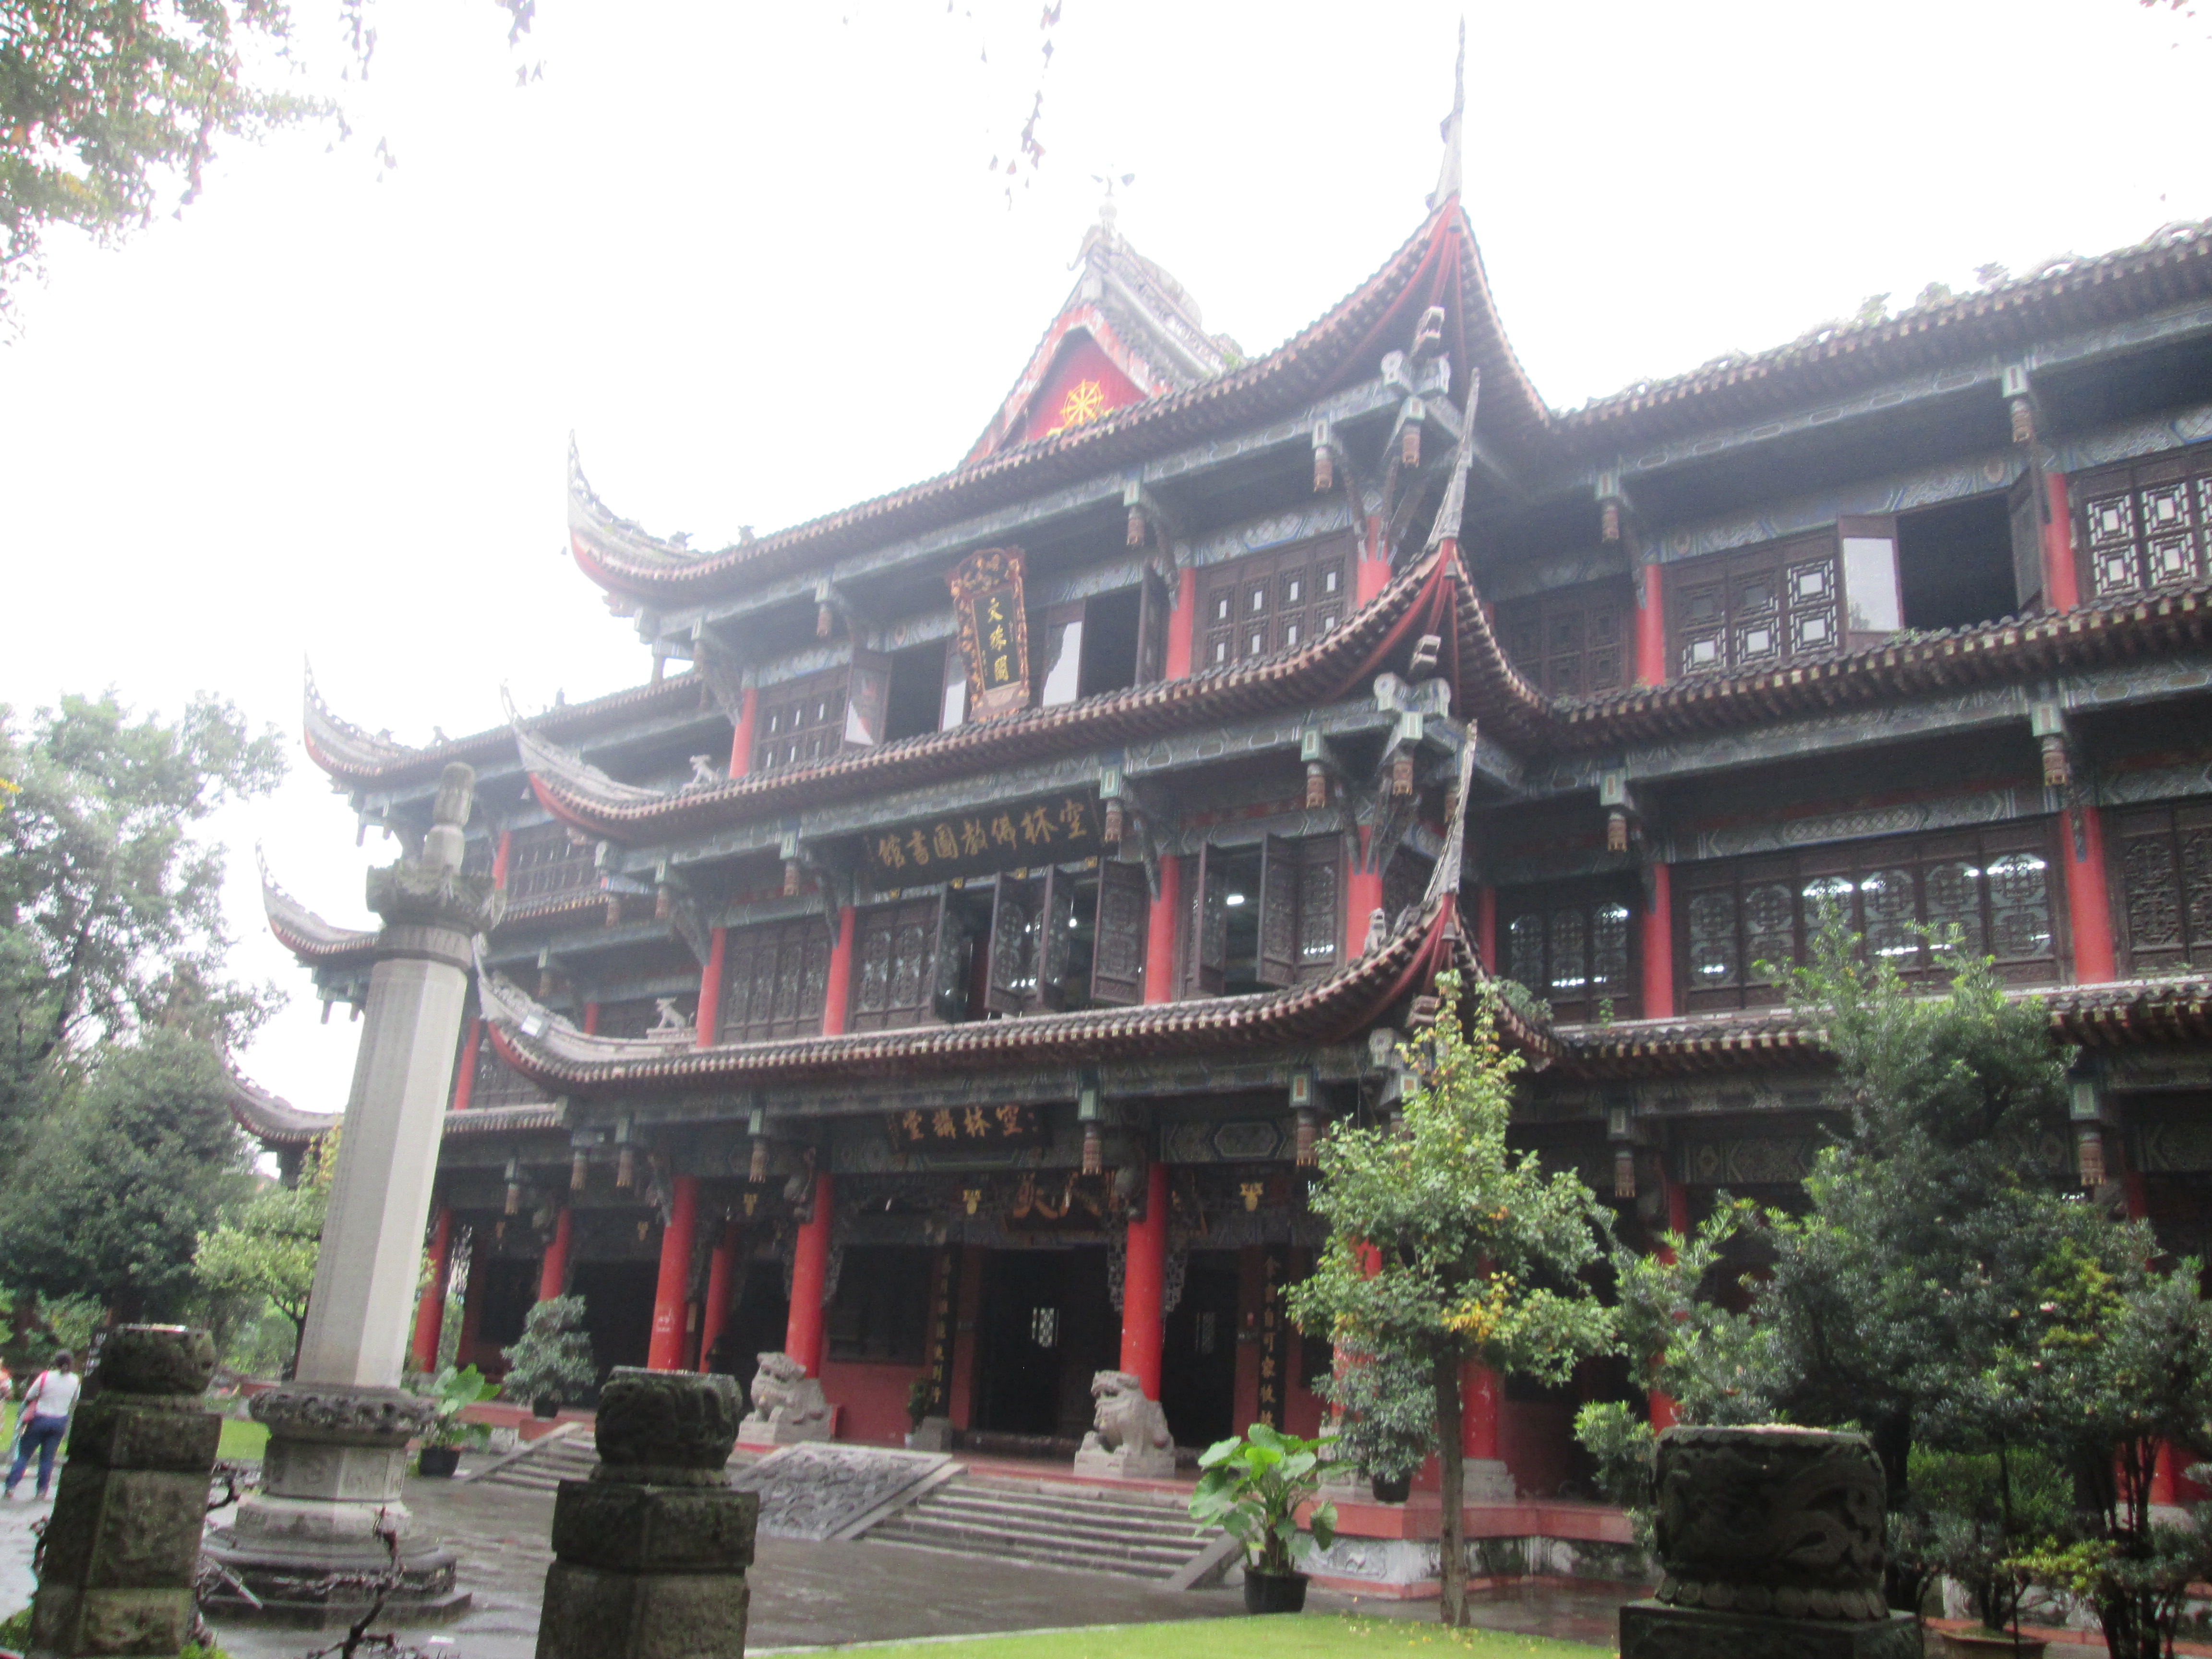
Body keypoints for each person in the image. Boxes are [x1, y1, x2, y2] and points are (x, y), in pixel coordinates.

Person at [5, 1353, 80, 1501]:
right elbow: (75, 1399)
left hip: (40, 1419)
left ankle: (11, 1486)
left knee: (24, 1455)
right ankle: (42, 1490)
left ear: (56, 1363)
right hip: (59, 1421)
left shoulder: (46, 1377)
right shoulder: (75, 1380)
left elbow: (30, 1396)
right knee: (48, 1458)